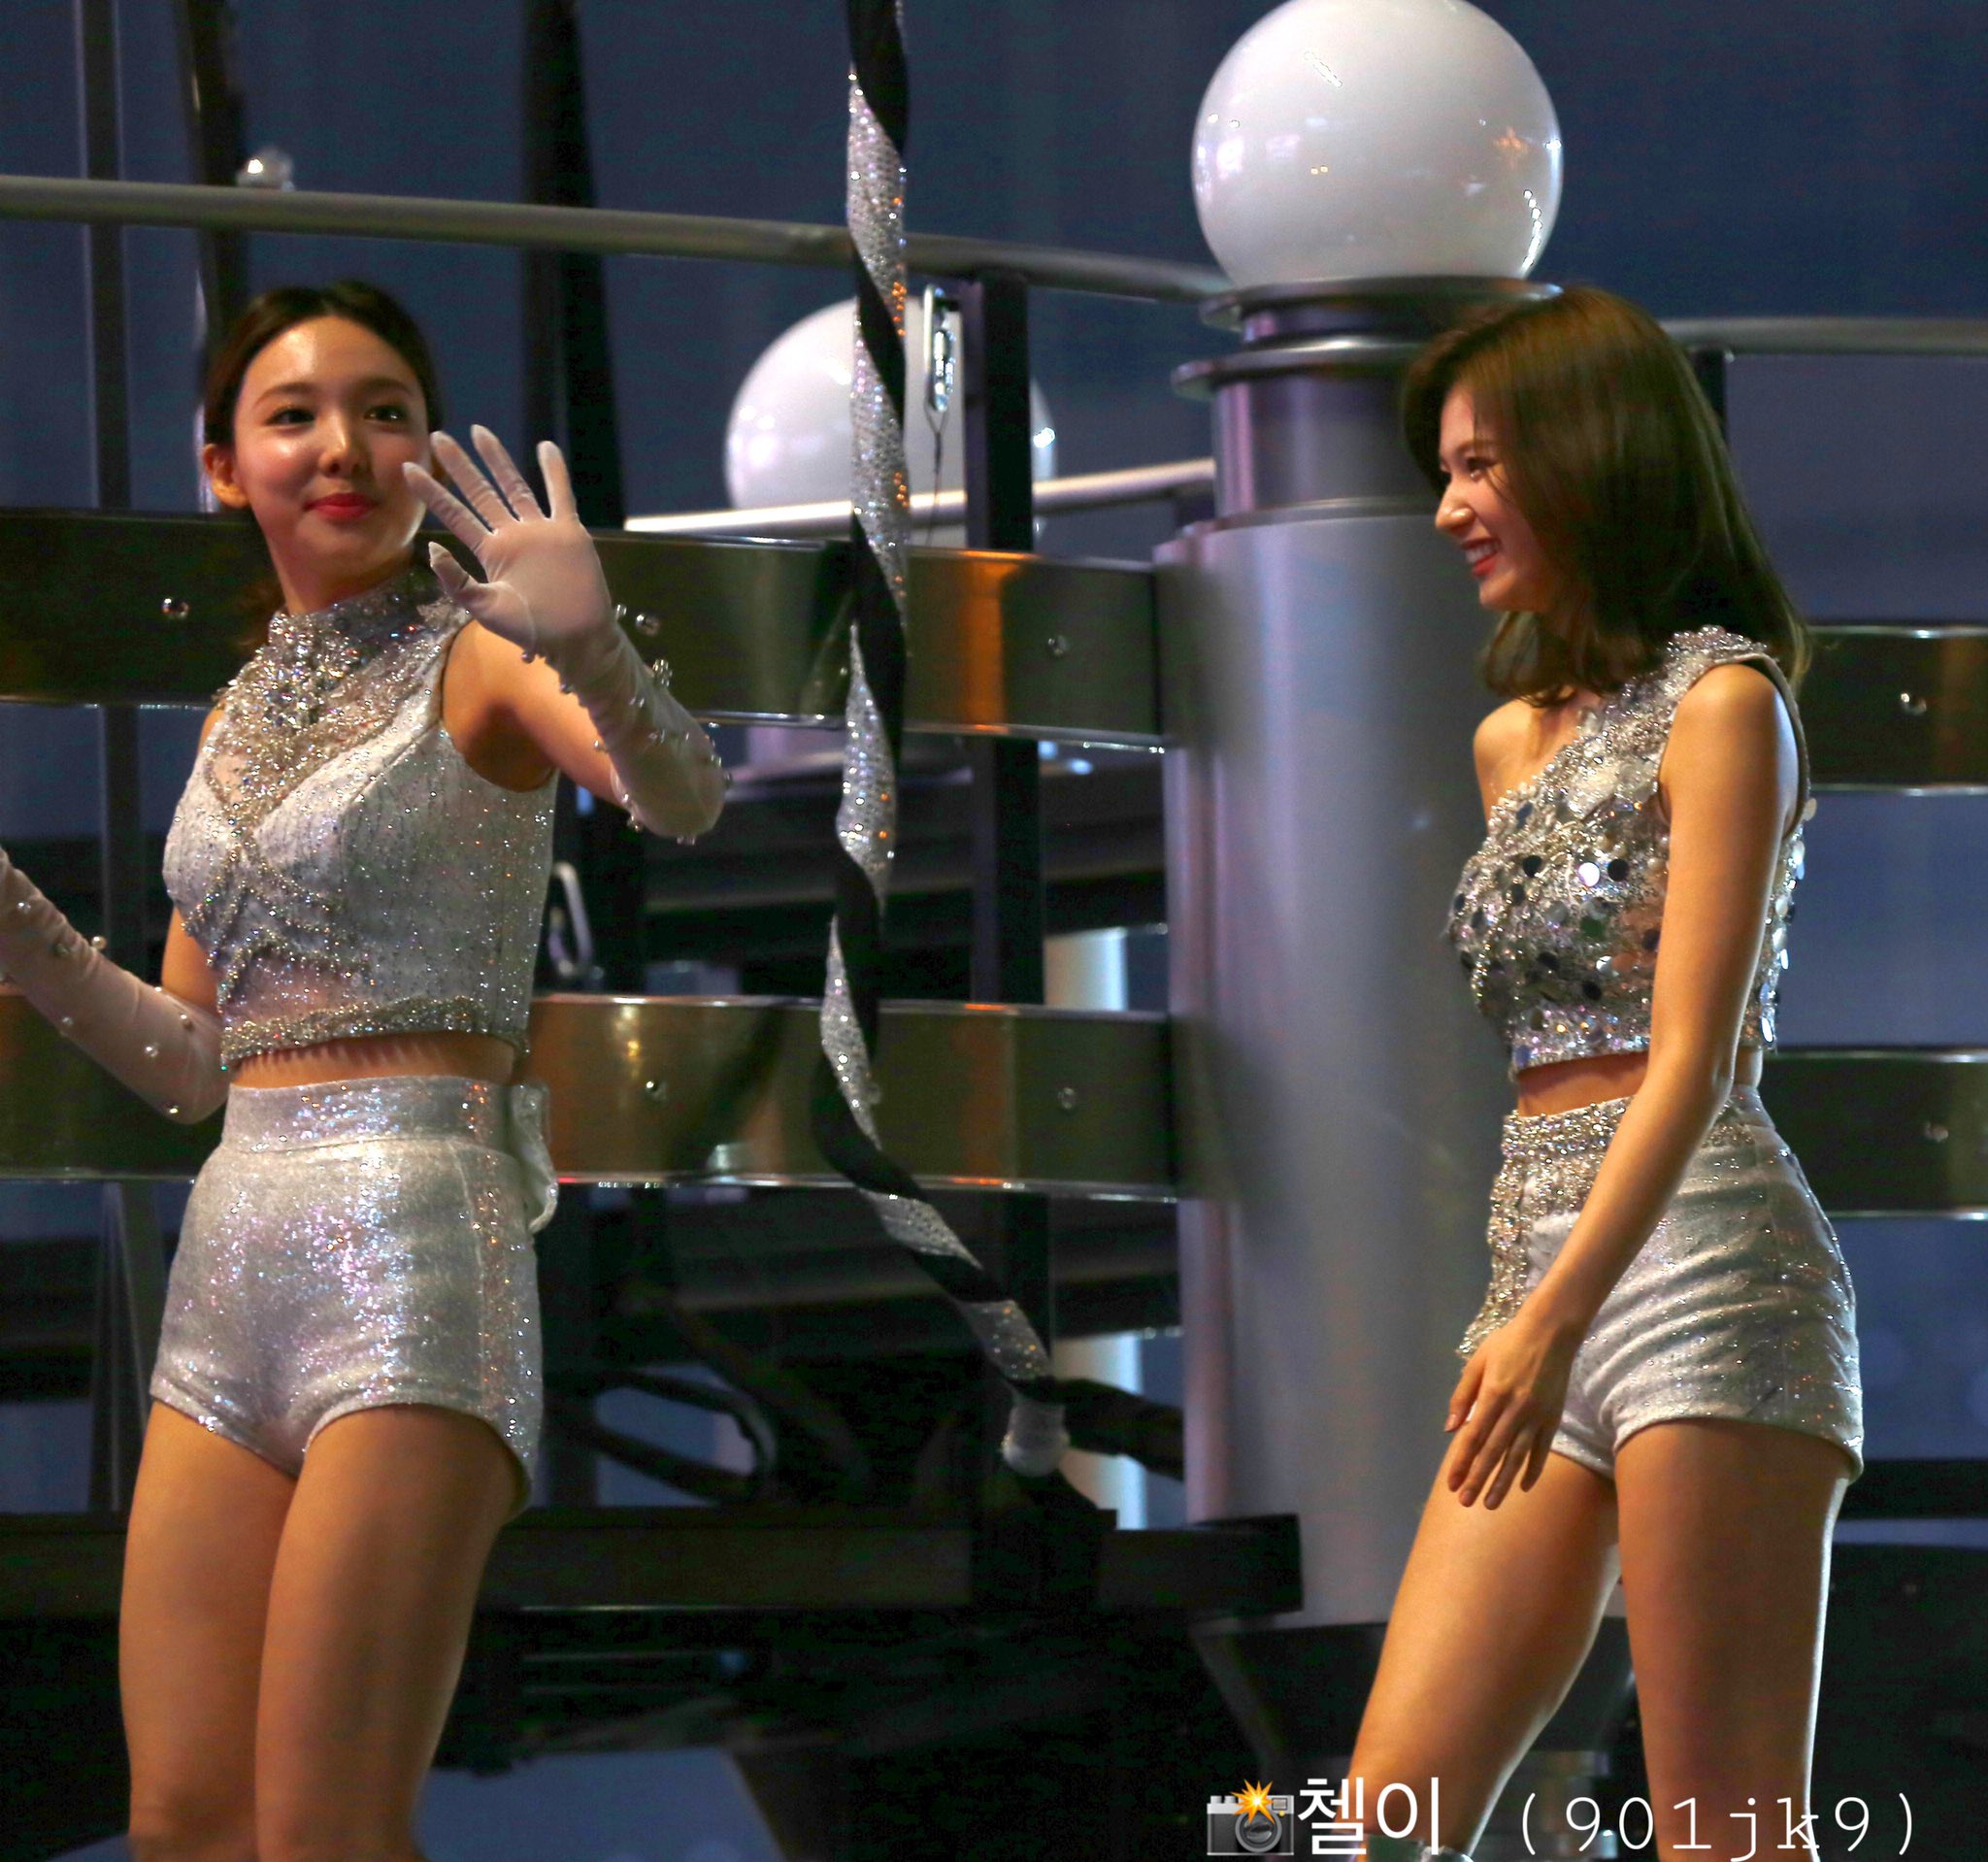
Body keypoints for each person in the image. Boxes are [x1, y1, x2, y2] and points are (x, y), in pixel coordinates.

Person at [0, 279, 723, 1861]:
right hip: (231, 1257)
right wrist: (32, 941)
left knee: (327, 1828)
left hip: (414, 1244)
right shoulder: (233, 717)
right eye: (296, 415)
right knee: (185, 1822)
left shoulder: (488, 651)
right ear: (222, 466)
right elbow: (194, 1062)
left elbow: (679, 795)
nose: (344, 445)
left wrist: (597, 649)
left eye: (385, 411)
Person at [1348, 286, 1863, 1862]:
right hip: (1537, 1279)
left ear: (1592, 455)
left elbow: (1694, 1059)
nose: (1449, 509)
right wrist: (1535, 1310)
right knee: (1378, 1822)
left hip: (1706, 1270)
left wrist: (1554, 1316)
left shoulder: (1727, 705)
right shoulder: (1511, 741)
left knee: (1727, 1831)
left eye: (1479, 466)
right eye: (1444, 472)